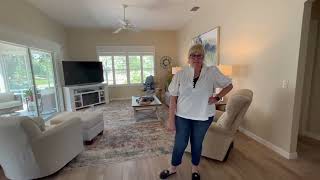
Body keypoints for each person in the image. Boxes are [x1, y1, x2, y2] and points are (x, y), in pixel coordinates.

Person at [159, 44, 233, 180]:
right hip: (182, 116)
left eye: (200, 55)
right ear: (188, 58)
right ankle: (173, 167)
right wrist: (171, 120)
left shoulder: (212, 72)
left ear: (203, 58)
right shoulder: (180, 74)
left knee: (197, 143)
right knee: (180, 143)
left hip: (204, 116)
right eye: (193, 55)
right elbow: (173, 99)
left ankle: (195, 168)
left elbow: (229, 85)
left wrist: (217, 97)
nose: (196, 58)